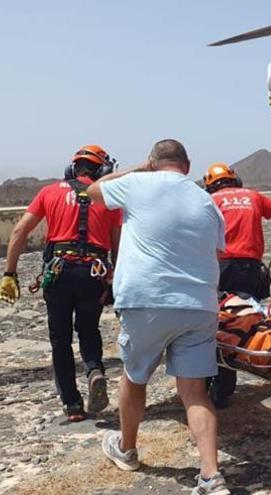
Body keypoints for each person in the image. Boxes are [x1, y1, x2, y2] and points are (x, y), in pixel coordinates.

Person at [87, 139, 231, 495]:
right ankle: (211, 476)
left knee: (135, 378)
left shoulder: (138, 183)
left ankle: (127, 448)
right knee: (195, 392)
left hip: (147, 300)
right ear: (188, 164)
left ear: (154, 162)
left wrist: (140, 168)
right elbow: (215, 249)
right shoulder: (206, 201)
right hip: (198, 304)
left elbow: (92, 191)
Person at [1, 145, 120, 421]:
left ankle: (72, 404)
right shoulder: (111, 200)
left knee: (60, 339)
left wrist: (10, 273)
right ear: (103, 170)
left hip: (59, 272)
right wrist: (113, 280)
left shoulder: (49, 192)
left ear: (72, 168)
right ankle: (94, 370)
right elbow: (118, 248)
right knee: (89, 329)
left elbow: (19, 230)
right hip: (94, 272)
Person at [203, 162, 271, 409]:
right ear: (235, 179)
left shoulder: (210, 202)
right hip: (250, 271)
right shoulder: (253, 196)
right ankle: (256, 357)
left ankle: (220, 386)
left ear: (210, 185)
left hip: (220, 268)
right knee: (245, 320)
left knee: (218, 323)